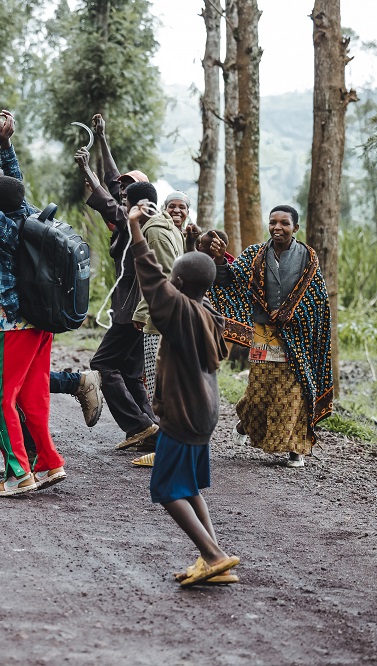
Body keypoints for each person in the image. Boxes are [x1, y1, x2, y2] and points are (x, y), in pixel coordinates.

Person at [0, 114, 103, 429]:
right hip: (33, 307)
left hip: (11, 315)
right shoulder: (28, 214)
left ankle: (27, 457)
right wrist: (6, 144)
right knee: (22, 382)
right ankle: (42, 456)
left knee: (13, 386)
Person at [127, 201, 241, 587]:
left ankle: (213, 555)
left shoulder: (178, 311)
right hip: (204, 414)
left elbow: (152, 280)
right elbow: (184, 283)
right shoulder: (208, 313)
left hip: (182, 415)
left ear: (177, 284)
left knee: (165, 489)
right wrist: (193, 242)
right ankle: (212, 554)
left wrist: (135, 230)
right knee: (188, 487)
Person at [0, 111, 66, 496]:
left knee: (0, 399)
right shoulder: (30, 218)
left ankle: (18, 473)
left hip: (11, 326)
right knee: (32, 397)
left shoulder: (0, 226)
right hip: (41, 324)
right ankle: (49, 462)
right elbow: (13, 185)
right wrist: (7, 149)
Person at [201, 204, 334, 468]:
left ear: (295, 227)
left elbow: (317, 300)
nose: (277, 227)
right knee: (260, 390)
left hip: (298, 336)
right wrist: (217, 260)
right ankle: (245, 423)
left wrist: (290, 314)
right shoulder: (255, 254)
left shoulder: (308, 257)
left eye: (284, 223)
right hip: (264, 334)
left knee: (296, 390)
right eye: (273, 222)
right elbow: (230, 280)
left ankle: (297, 449)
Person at [74, 140, 159, 452]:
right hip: (139, 310)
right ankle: (151, 431)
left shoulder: (135, 221)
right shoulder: (135, 220)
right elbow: (111, 183)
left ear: (145, 197)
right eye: (123, 192)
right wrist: (104, 140)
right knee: (132, 375)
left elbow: (106, 198)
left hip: (131, 311)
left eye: (130, 192)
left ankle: (138, 424)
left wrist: (85, 167)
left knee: (103, 364)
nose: (122, 195)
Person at [129, 182, 184, 424]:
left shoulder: (155, 231)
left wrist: (144, 312)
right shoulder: (167, 228)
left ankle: (165, 446)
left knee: (157, 382)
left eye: (126, 204)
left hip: (161, 318)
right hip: (165, 314)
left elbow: (162, 276)